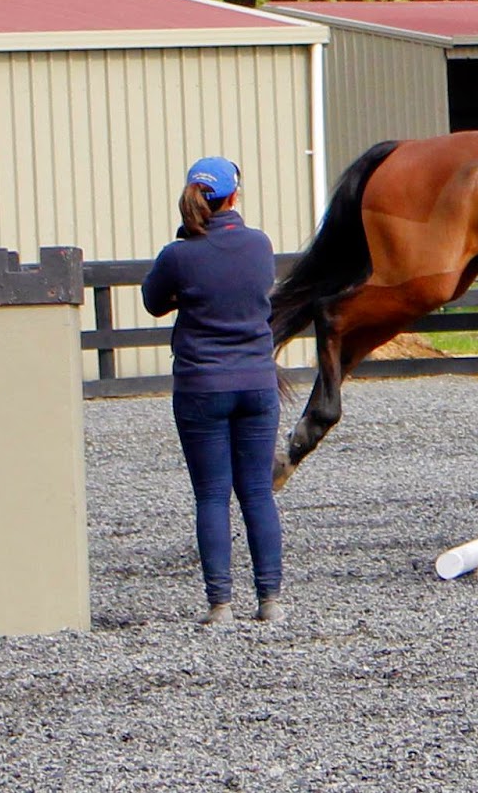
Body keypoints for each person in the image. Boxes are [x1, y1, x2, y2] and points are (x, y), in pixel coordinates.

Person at [141, 156, 284, 626]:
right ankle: (269, 600)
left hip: (202, 383)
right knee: (257, 493)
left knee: (211, 495)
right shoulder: (259, 245)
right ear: (233, 196)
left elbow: (153, 302)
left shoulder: (178, 256)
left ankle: (220, 603)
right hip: (256, 381)